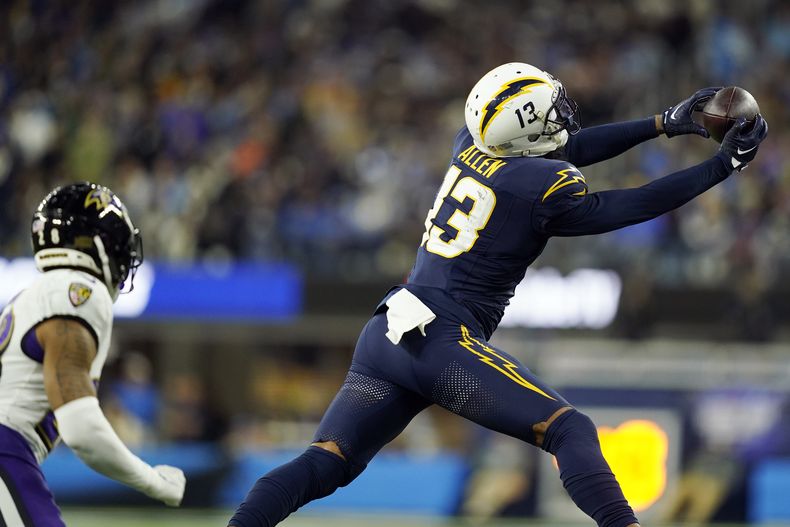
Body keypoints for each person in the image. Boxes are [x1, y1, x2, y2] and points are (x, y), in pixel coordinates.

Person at [228, 63, 768, 527]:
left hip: (389, 331)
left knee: (325, 463)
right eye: (549, 112)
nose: (561, 117)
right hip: (442, 342)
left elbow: (568, 147)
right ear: (524, 131)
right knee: (569, 429)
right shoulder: (540, 186)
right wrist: (723, 165)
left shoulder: (473, 142)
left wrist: (661, 125)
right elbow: (631, 204)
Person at [0, 182, 186, 525]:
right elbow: (81, 427)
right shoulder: (79, 291)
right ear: (93, 243)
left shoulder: (33, 296)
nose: (122, 255)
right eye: (116, 242)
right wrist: (153, 481)